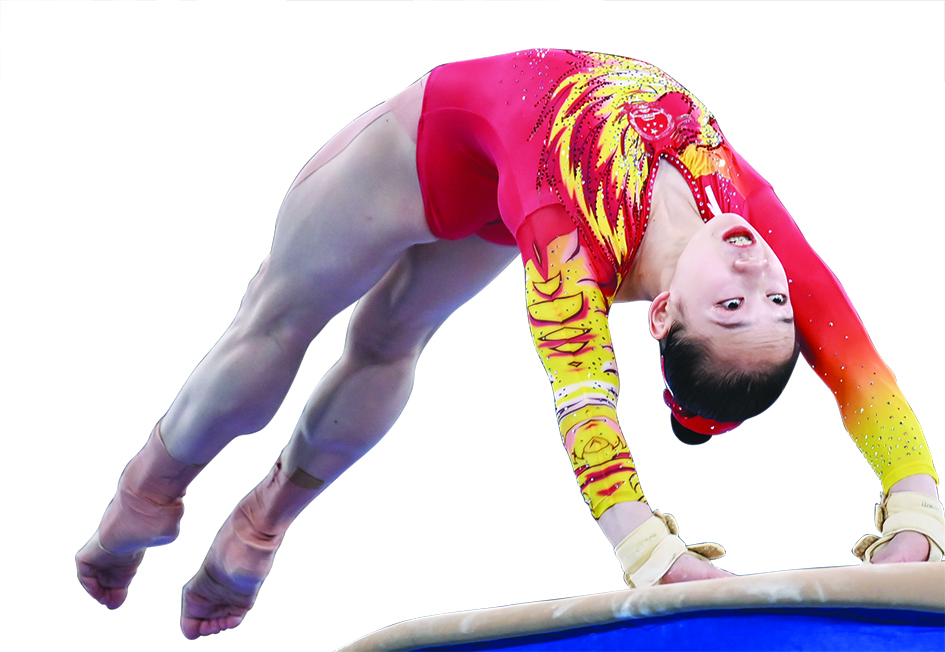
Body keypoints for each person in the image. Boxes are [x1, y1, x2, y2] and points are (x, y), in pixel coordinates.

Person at [75, 49, 944, 639]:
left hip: (426, 160)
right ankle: (154, 493)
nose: (758, 274)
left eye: (731, 307)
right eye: (773, 303)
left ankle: (251, 521)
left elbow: (584, 401)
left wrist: (646, 548)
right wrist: (916, 506)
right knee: (287, 326)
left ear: (659, 315)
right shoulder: (742, 217)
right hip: (468, 163)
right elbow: (856, 363)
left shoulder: (567, 240)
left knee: (367, 338)